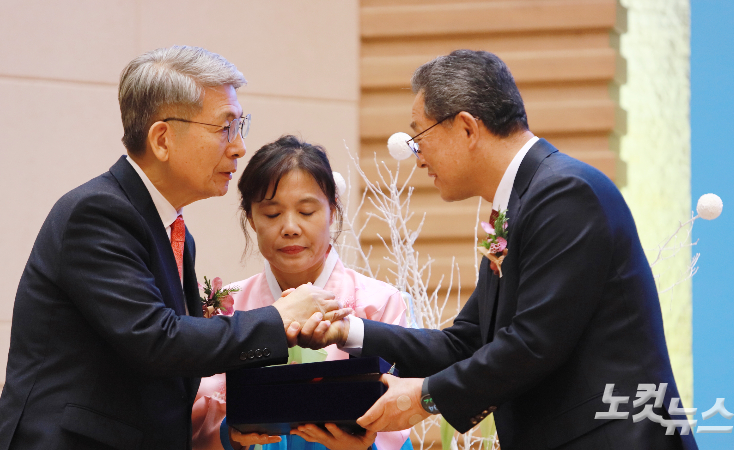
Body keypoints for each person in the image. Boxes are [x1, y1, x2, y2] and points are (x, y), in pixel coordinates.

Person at [297, 50, 699, 449]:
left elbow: (534, 343)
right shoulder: (513, 206)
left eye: (419, 138)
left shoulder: (565, 192)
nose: (418, 159)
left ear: (467, 128)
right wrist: (345, 329)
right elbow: (467, 341)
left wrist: (425, 396)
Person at [0, 46, 349, 450]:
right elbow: (156, 341)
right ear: (162, 139)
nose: (239, 147)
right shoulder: (98, 212)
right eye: (225, 127)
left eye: (240, 125)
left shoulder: (172, 229)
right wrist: (277, 318)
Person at [190, 136, 414, 450]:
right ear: (251, 218)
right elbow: (194, 420)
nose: (290, 227)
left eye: (307, 212)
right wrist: (228, 434)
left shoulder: (379, 303)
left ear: (332, 211)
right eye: (272, 214)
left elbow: (398, 421)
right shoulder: (224, 305)